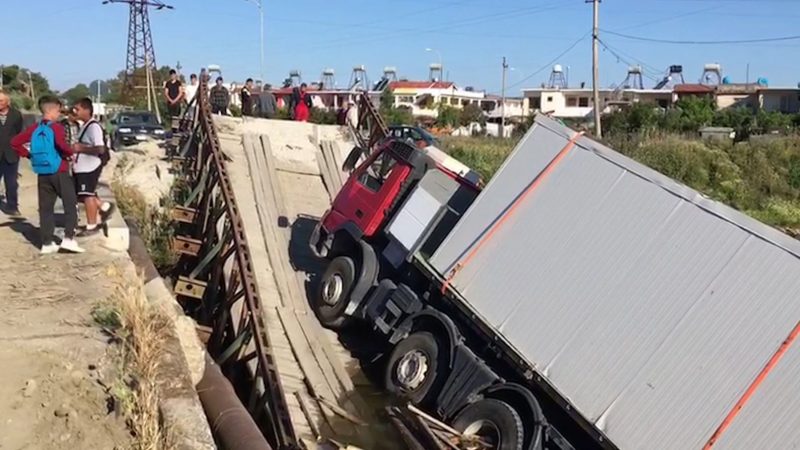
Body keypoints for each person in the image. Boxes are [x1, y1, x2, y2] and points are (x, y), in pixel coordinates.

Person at [10, 96, 83, 254]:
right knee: (71, 204)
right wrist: (71, 152)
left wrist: (29, 155)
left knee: (45, 208)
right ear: (51, 110)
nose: (59, 114)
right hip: (59, 170)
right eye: (58, 111)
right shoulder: (56, 127)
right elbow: (62, 145)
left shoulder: (34, 128)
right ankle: (69, 239)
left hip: (42, 172)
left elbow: (15, 142)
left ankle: (47, 243)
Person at [72, 97, 114, 237]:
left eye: (77, 109)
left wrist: (81, 148)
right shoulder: (85, 126)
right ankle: (104, 207)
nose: (75, 111)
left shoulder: (93, 127)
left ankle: (92, 225)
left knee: (87, 195)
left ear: (86, 110)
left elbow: (100, 148)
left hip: (89, 167)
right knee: (82, 194)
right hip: (82, 167)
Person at [0, 91, 24, 217]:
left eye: (1, 101)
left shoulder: (16, 115)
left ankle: (12, 206)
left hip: (11, 154)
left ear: (7, 102)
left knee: (11, 183)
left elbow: (19, 132)